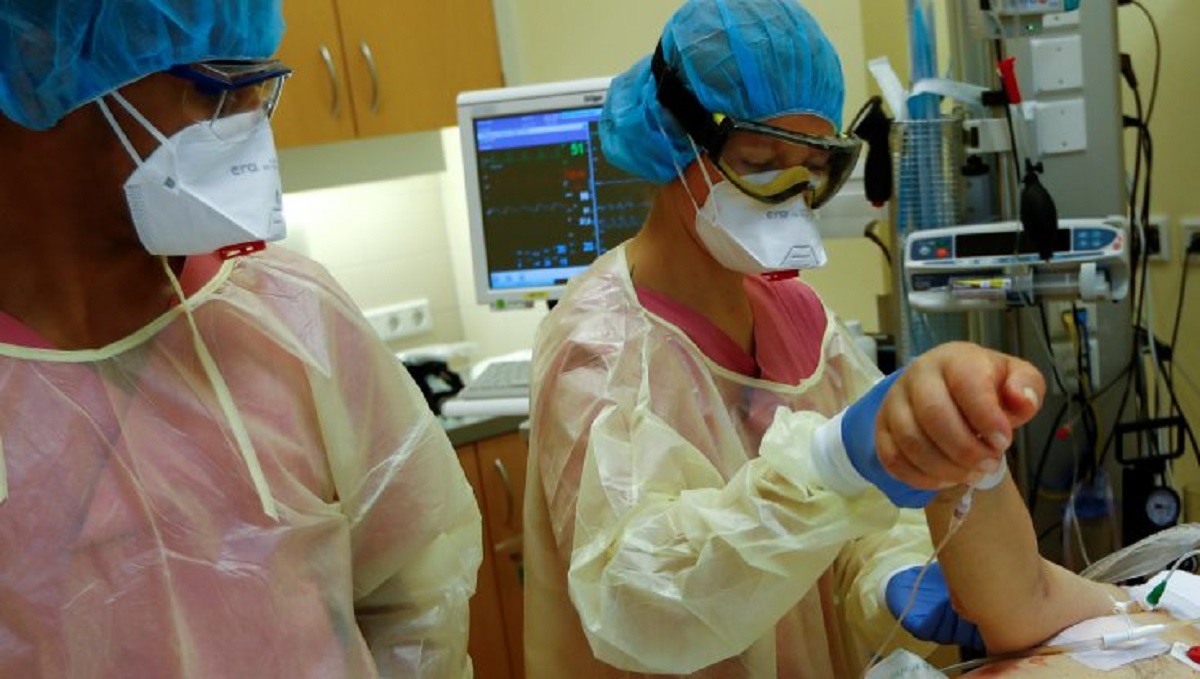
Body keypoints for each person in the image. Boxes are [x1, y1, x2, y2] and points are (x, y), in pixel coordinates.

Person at [523, 0, 1124, 676]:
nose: (789, 192)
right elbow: (641, 598)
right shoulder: (599, 347)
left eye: (813, 167)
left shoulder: (799, 320)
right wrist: (832, 463)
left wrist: (892, 574)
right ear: (675, 138)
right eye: (759, 160)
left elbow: (847, 531)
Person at [0, 2, 481, 676]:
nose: (252, 115)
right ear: (40, 70)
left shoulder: (288, 317)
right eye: (214, 84)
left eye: (262, 82)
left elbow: (417, 593)